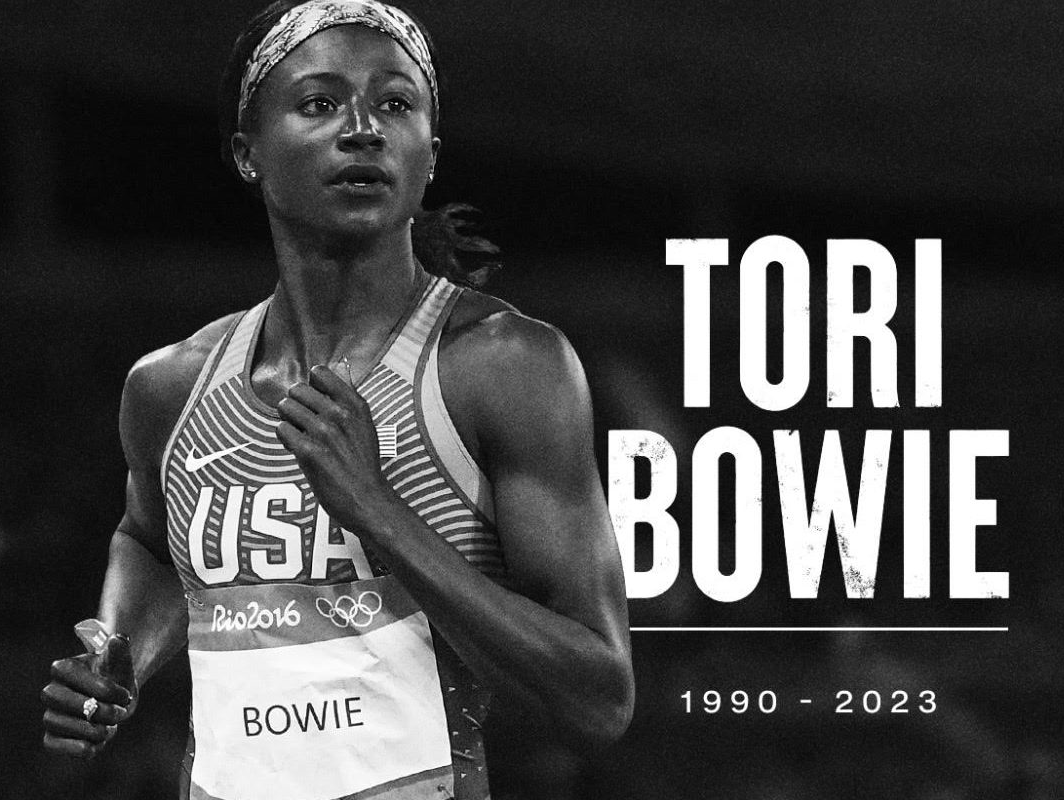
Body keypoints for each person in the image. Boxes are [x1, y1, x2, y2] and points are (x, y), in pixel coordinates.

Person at [39, 1, 635, 797]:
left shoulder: (501, 367)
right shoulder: (172, 388)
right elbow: (149, 540)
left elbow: (598, 699)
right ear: (248, 154)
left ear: (429, 154)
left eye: (395, 104)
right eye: (319, 103)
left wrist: (376, 511)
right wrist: (121, 652)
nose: (363, 129)